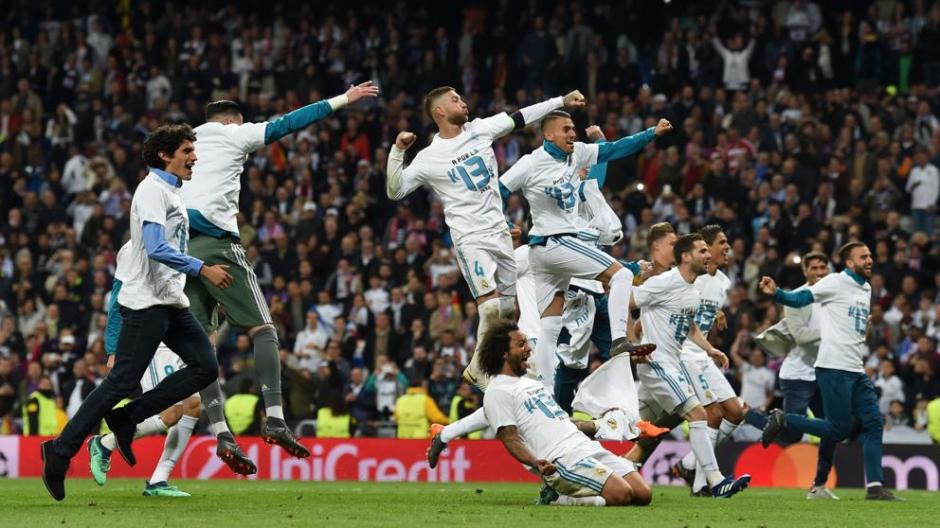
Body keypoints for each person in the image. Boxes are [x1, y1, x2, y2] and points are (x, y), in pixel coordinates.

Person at [181, 82, 379, 473]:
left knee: (203, 347)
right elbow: (287, 124)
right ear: (232, 121)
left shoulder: (183, 145)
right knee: (263, 329)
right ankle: (274, 417)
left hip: (180, 251)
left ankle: (221, 432)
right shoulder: (233, 133)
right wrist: (343, 99)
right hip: (218, 244)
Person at [41, 124, 231, 501]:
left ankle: (128, 418)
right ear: (166, 155)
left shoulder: (172, 193)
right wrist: (201, 268)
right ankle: (61, 451)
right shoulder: (151, 191)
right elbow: (156, 247)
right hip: (147, 304)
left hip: (171, 302)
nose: (194, 157)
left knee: (206, 367)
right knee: (121, 384)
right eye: (187, 150)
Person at [386, 86, 586, 390]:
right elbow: (395, 190)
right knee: (490, 307)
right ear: (439, 111)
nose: (463, 102)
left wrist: (560, 101)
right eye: (454, 100)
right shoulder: (429, 158)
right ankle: (479, 368)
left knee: (506, 313)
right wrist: (398, 151)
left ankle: (499, 372)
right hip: (471, 237)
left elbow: (521, 117)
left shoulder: (479, 129)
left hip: (500, 233)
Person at [499, 112, 670, 385]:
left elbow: (614, 149)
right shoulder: (530, 163)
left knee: (551, 328)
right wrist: (504, 222)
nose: (572, 133)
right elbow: (499, 190)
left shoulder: (577, 153)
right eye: (565, 129)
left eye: (573, 129)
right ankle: (618, 340)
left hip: (543, 255)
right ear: (548, 134)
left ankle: (543, 390)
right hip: (556, 242)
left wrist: (651, 133)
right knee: (622, 276)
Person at [760, 242, 901, 501]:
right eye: (864, 257)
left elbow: (854, 327)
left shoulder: (866, 287)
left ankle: (875, 487)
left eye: (870, 256)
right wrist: (777, 293)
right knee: (839, 430)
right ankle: (784, 419)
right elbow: (801, 298)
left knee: (873, 424)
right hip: (833, 367)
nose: (870, 260)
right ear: (849, 262)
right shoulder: (834, 282)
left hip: (856, 369)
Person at [478, 318, 652, 507]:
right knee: (622, 495)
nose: (528, 348)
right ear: (504, 353)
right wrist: (536, 462)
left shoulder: (532, 384)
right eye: (521, 344)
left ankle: (575, 491)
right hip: (560, 458)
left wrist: (605, 425)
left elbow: (561, 421)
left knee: (643, 494)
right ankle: (555, 497)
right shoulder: (497, 392)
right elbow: (510, 439)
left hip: (583, 445)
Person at [631, 233, 751, 498]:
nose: (708, 255)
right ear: (685, 256)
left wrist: (710, 349)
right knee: (699, 414)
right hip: (656, 363)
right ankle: (714, 481)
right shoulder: (665, 282)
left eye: (709, 251)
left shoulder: (692, 290)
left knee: (632, 424)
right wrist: (625, 344)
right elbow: (627, 302)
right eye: (702, 251)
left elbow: (690, 326)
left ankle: (621, 467)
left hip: (672, 365)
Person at [86, 268, 203, 497]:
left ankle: (159, 480)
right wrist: (112, 349)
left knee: (193, 406)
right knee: (171, 412)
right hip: (155, 343)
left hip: (177, 340)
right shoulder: (137, 251)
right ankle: (105, 444)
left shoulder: (175, 243)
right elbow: (116, 304)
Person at [751, 251, 839, 500]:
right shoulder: (796, 298)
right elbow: (800, 336)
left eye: (824, 267)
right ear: (805, 272)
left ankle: (819, 486)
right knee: (792, 434)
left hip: (824, 372)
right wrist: (832, 330)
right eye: (815, 268)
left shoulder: (835, 294)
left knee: (831, 429)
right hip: (798, 375)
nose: (820, 272)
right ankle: (748, 414)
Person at [671, 226, 746, 496]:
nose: (727, 248)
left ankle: (690, 463)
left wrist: (718, 313)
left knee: (736, 412)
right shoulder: (691, 277)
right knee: (713, 413)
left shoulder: (723, 282)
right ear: (707, 248)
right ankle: (703, 484)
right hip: (684, 354)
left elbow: (705, 307)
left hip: (703, 353)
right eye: (722, 243)